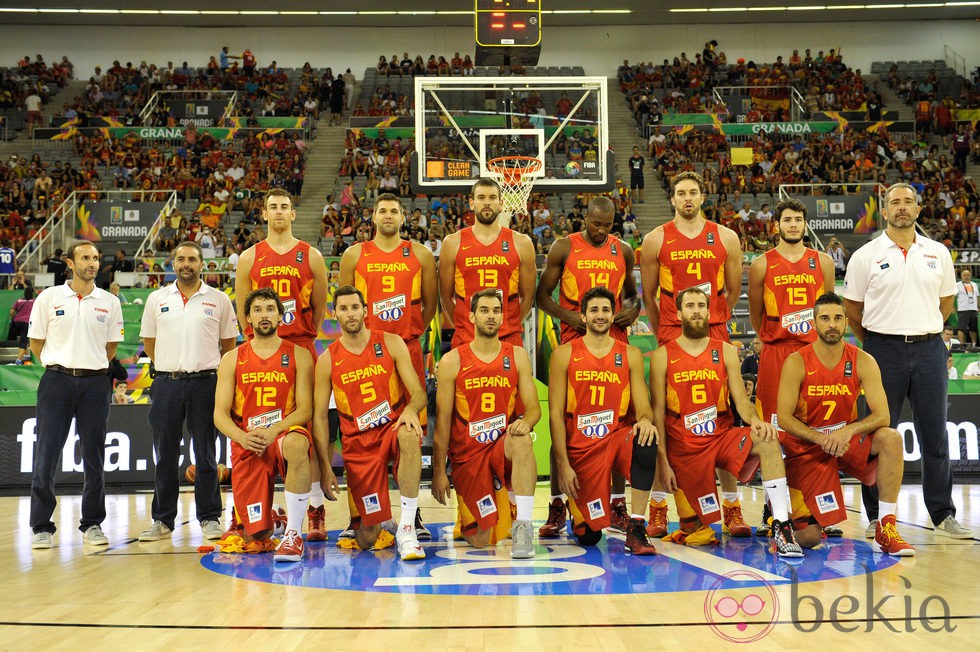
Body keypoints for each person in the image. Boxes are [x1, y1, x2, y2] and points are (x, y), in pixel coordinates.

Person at [843, 182, 972, 539]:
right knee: (877, 433)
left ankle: (942, 514)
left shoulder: (938, 253)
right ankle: (874, 515)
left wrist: (925, 329)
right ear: (884, 212)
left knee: (935, 435)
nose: (902, 207)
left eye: (908, 202)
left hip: (930, 348)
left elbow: (945, 304)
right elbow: (852, 310)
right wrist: (876, 340)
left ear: (918, 210)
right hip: (882, 350)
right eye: (895, 202)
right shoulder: (865, 255)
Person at [649, 287, 803, 557]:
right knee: (698, 530)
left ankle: (781, 522)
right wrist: (663, 463)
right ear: (678, 313)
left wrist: (756, 420)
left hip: (720, 438)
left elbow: (741, 401)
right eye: (690, 305)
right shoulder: (662, 355)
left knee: (768, 438)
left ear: (709, 312)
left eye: (701, 305)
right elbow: (657, 415)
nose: (696, 310)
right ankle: (675, 511)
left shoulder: (726, 351)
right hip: (685, 448)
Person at [639, 170, 747, 538]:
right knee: (664, 420)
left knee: (723, 418)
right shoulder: (655, 240)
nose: (687, 198)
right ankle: (657, 507)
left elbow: (732, 292)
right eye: (681, 193)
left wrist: (712, 320)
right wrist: (664, 331)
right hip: (671, 333)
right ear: (672, 199)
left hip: (714, 329)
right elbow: (648, 296)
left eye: (693, 192)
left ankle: (732, 508)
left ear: (703, 197)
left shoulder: (727, 237)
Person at [776, 293, 914, 556]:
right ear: (814, 323)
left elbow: (882, 415)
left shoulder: (863, 359)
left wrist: (847, 431)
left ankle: (886, 527)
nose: (832, 324)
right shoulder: (796, 361)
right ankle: (783, 516)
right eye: (825, 318)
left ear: (847, 322)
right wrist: (821, 438)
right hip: (808, 448)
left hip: (845, 442)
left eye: (838, 318)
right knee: (808, 537)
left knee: (891, 437)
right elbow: (783, 417)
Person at [535, 196, 641, 537]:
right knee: (565, 422)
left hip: (616, 342)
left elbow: (633, 296)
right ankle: (556, 504)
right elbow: (542, 296)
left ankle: (618, 503)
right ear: (585, 219)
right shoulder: (564, 248)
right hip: (573, 342)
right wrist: (570, 317)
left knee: (620, 424)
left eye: (607, 227)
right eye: (596, 225)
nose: (600, 232)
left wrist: (632, 311)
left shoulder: (623, 250)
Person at [337, 192, 438, 541]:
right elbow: (345, 301)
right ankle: (359, 515)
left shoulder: (420, 254)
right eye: (382, 210)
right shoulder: (355, 254)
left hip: (405, 348)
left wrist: (406, 335)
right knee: (362, 433)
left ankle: (414, 514)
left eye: (395, 210)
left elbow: (429, 306)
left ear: (404, 216)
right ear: (373, 216)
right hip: (365, 353)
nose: (389, 215)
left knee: (410, 430)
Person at [235, 188, 330, 541]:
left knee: (313, 427)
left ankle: (317, 507)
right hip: (261, 350)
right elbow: (243, 308)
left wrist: (301, 338)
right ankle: (252, 507)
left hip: (301, 345)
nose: (278, 212)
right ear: (263, 214)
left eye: (285, 207)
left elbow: (319, 307)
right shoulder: (249, 258)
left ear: (293, 214)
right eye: (272, 206)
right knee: (258, 426)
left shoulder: (312, 255)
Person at [311, 286, 428, 561]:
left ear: (365, 310)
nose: (350, 313)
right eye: (343, 308)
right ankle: (383, 520)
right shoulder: (327, 359)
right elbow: (318, 417)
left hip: (391, 428)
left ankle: (408, 529)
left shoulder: (391, 342)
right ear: (335, 314)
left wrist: (411, 410)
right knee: (366, 539)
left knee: (409, 435)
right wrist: (327, 468)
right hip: (358, 443)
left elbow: (420, 393)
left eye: (355, 307)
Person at [136, 241, 238, 543]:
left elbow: (229, 346)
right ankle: (162, 519)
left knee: (206, 454)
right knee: (165, 455)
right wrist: (170, 368)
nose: (186, 264)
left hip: (206, 383)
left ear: (202, 264)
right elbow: (149, 343)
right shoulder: (156, 298)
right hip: (166, 383)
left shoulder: (219, 299)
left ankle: (209, 518)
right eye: (181, 259)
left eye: (192, 259)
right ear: (173, 263)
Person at [548, 286, 659, 555]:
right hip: (581, 450)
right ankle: (574, 512)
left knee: (647, 436)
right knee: (588, 536)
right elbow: (555, 415)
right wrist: (562, 465)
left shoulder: (629, 354)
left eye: (606, 310)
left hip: (614, 440)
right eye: (594, 310)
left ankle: (636, 526)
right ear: (583, 317)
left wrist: (645, 420)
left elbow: (644, 407)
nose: (600, 315)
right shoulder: (563, 354)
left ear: (613, 316)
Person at [28, 240, 125, 549]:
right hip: (56, 381)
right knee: (46, 454)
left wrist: (89, 366)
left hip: (95, 384)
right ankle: (41, 525)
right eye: (85, 257)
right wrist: (59, 365)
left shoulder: (109, 301)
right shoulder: (49, 297)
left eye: (95, 258)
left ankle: (92, 523)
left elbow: (111, 349)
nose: (92, 263)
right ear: (70, 263)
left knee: (95, 456)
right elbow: (36, 343)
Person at [747, 199, 835, 535]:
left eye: (798, 219)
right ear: (777, 225)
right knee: (774, 432)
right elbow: (757, 315)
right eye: (787, 220)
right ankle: (774, 511)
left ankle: (811, 509)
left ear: (804, 224)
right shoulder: (762, 264)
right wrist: (773, 337)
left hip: (813, 353)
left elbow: (827, 308)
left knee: (812, 431)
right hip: (777, 353)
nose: (793, 225)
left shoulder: (822, 262)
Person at [431, 289, 540, 559]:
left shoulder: (516, 356)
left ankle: (523, 525)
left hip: (500, 448)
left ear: (503, 317)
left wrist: (525, 422)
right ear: (471, 316)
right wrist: (438, 472)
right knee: (480, 540)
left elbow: (535, 409)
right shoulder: (452, 361)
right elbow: (442, 424)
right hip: (468, 456)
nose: (490, 316)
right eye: (484, 310)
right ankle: (491, 502)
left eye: (495, 311)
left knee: (523, 439)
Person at [213, 288, 315, 562]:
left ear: (281, 316)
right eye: (257, 310)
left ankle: (293, 533)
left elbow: (305, 409)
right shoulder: (232, 358)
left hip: (282, 434)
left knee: (297, 443)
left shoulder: (299, 355)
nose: (264, 315)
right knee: (256, 538)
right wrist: (243, 438)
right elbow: (220, 415)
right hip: (249, 441)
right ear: (247, 318)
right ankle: (274, 520)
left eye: (270, 309)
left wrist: (274, 431)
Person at [438, 178, 536, 350]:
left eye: (492, 198)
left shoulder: (522, 242)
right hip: (466, 338)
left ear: (501, 204)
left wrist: (510, 325)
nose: (487, 202)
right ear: (471, 203)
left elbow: (527, 296)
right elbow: (446, 296)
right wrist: (464, 326)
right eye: (481, 197)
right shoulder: (452, 242)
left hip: (508, 338)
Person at [7, 284, 34, 363]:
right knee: (24, 340)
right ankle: (19, 359)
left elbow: (11, 312)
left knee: (15, 339)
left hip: (16, 322)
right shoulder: (34, 301)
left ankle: (26, 355)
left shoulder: (19, 300)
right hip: (26, 323)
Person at [955, 268, 978, 347]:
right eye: (964, 275)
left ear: (970, 276)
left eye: (968, 275)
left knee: (973, 329)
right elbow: (953, 296)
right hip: (963, 309)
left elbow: (977, 296)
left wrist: (978, 306)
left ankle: (974, 345)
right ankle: (961, 345)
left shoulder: (974, 284)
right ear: (961, 276)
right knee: (961, 328)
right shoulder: (957, 285)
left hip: (973, 309)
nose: (966, 277)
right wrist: (952, 307)